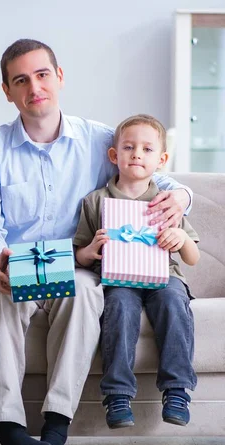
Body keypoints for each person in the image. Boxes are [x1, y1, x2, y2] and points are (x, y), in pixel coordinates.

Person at [0, 39, 193, 445]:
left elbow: (150, 171)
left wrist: (181, 196)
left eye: (42, 74)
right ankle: (13, 435)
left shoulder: (100, 139)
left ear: (60, 77)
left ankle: (55, 430)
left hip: (78, 262)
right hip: (21, 262)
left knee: (87, 294)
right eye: (21, 80)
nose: (35, 87)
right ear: (7, 91)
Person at [74, 114, 199, 429]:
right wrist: (90, 252)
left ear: (161, 159)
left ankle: (177, 391)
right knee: (118, 307)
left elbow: (193, 257)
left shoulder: (167, 203)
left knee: (173, 302)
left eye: (147, 149)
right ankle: (117, 395)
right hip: (119, 280)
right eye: (129, 147)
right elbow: (80, 255)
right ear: (114, 155)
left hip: (164, 278)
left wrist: (181, 239)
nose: (137, 155)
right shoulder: (96, 202)